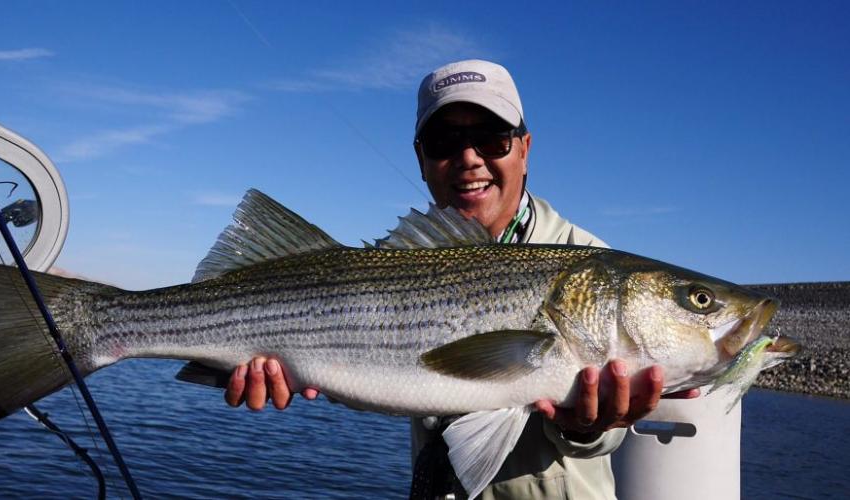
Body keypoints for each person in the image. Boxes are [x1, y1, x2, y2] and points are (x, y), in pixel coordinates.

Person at [224, 60, 698, 499]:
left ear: (524, 149)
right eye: (444, 142)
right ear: (421, 159)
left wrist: (589, 426)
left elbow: (602, 437)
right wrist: (294, 363)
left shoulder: (591, 262)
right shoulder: (408, 256)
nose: (469, 157)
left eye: (492, 137)